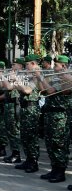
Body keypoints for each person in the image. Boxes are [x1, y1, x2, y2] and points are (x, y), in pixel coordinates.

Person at [36, 55, 71, 183]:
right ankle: (54, 169)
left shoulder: (67, 78)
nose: (54, 67)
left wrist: (40, 76)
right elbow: (44, 90)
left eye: (56, 65)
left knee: (59, 144)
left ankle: (60, 172)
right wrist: (39, 79)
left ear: (63, 66)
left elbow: (51, 91)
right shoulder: (56, 77)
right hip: (50, 114)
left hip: (60, 115)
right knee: (50, 143)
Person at [13, 54, 41, 173]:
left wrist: (16, 80)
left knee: (31, 137)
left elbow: (27, 90)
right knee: (25, 137)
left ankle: (34, 162)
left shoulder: (37, 76)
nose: (26, 67)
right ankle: (28, 159)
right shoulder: (29, 76)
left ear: (33, 64)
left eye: (27, 64)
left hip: (31, 109)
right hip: (25, 108)